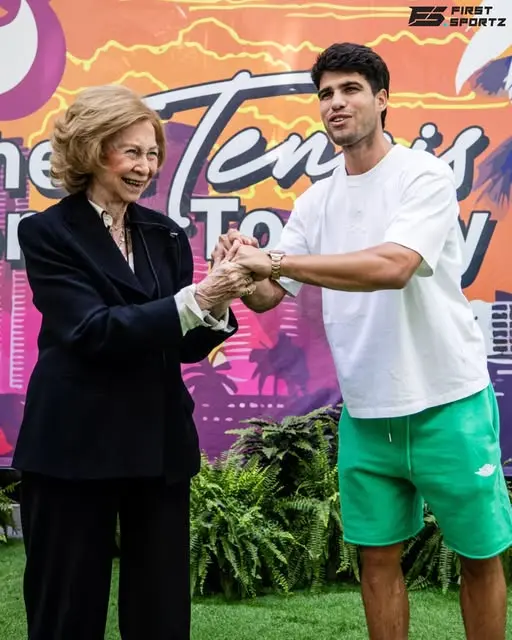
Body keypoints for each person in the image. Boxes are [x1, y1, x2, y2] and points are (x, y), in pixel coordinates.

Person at [213, 43, 512, 640]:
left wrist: (276, 261)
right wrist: (243, 263)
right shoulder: (316, 200)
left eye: (350, 89)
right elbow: (271, 295)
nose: (336, 103)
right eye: (325, 94)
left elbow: (394, 266)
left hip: (448, 401)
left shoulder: (423, 175)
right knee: (376, 560)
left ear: (382, 99)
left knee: (479, 555)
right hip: (366, 412)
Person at [13, 84, 255, 640]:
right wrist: (196, 298)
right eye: (131, 152)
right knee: (66, 613)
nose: (145, 167)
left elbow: (182, 345)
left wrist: (216, 299)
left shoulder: (164, 234)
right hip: (73, 447)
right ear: (91, 150)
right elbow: (91, 330)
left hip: (157, 445)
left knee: (161, 616)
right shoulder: (46, 231)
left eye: (151, 154)